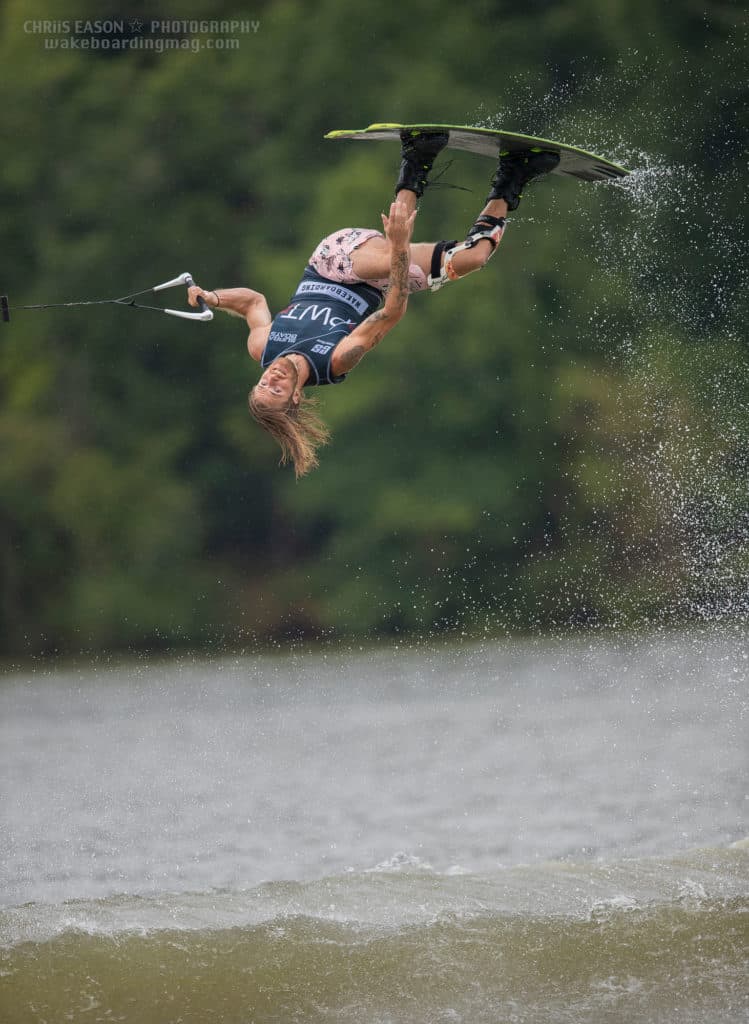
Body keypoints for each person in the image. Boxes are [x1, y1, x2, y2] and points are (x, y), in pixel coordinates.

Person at [187, 131, 559, 477]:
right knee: (472, 258)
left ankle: (416, 155)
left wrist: (212, 297)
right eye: (277, 390)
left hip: (334, 261)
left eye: (263, 384)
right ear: (296, 396)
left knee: (387, 257)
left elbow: (253, 302)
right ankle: (514, 174)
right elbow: (392, 311)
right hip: (380, 283)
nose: (272, 379)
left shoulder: (262, 347)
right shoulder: (335, 360)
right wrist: (399, 246)